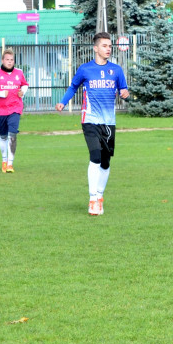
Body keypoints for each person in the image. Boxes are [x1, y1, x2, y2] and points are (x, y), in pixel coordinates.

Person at [55, 32, 130, 216]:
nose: (108, 49)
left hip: (108, 122)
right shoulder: (85, 69)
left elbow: (123, 89)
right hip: (89, 119)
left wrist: (125, 94)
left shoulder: (116, 70)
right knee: (95, 156)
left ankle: (100, 195)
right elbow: (73, 87)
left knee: (105, 162)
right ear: (95, 48)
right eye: (104, 45)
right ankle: (92, 199)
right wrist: (63, 102)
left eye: (110, 46)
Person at [0, 48, 29, 173]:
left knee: (12, 135)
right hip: (0, 110)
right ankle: (4, 161)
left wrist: (22, 92)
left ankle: (10, 164)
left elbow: (25, 84)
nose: (10, 62)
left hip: (15, 108)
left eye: (12, 60)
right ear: (2, 60)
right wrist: (1, 93)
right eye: (7, 60)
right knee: (3, 136)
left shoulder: (19, 72)